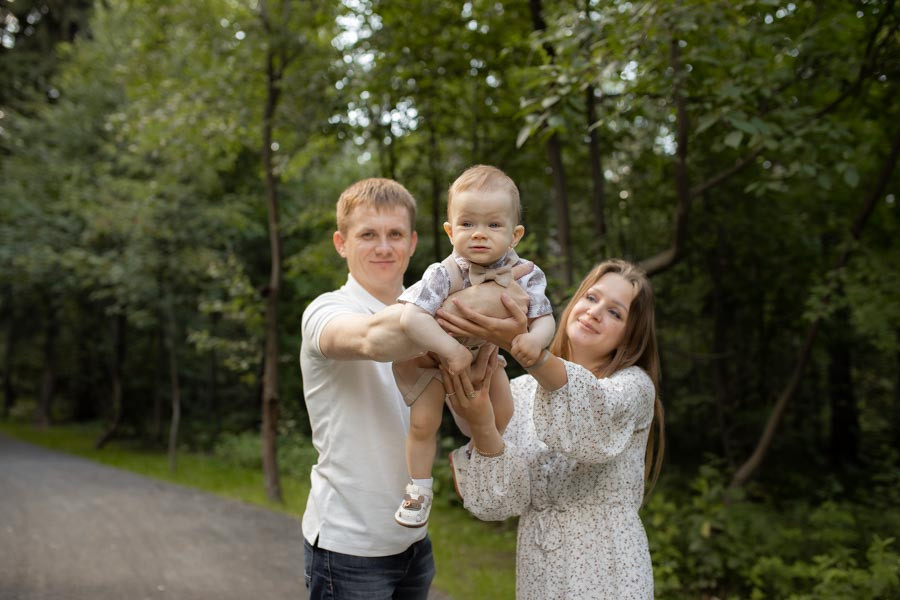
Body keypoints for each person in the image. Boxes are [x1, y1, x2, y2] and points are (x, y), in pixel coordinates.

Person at [436, 259, 665, 600]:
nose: (595, 312)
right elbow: (500, 502)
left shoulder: (633, 388)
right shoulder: (522, 391)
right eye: (591, 298)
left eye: (615, 313)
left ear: (630, 335)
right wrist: (483, 424)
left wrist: (526, 349)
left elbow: (589, 415)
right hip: (538, 571)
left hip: (609, 572)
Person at [392, 165, 555, 528]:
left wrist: (534, 339)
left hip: (483, 354)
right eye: (467, 224)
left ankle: (470, 455)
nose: (479, 234)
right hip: (432, 357)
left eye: (493, 225)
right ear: (450, 230)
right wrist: (450, 352)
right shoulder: (442, 272)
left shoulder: (527, 274)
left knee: (504, 411)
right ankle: (418, 490)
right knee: (423, 422)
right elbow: (410, 318)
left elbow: (544, 317)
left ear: (515, 235)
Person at [299, 178, 435, 599]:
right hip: (348, 546)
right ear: (341, 242)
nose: (383, 247)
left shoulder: (431, 313)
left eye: (395, 234)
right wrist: (446, 324)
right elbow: (371, 341)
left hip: (414, 544)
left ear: (412, 242)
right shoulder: (326, 309)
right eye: (368, 235)